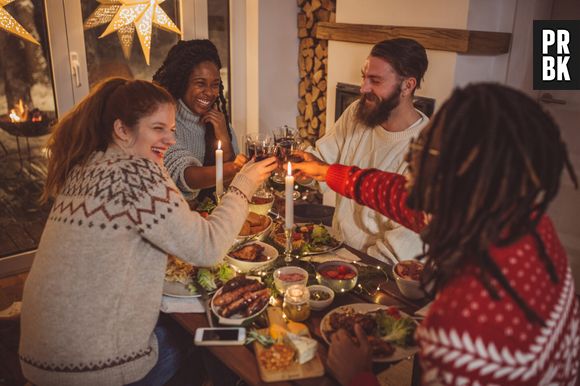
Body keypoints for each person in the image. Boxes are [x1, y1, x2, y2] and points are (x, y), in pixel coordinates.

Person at [295, 83, 580, 386]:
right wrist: (326, 172)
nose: (412, 159)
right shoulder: (526, 222)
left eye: (425, 150)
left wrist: (358, 375)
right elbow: (400, 196)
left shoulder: (462, 329)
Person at [18, 77, 277, 385]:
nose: (169, 140)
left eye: (171, 130)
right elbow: (208, 248)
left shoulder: (86, 164)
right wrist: (244, 183)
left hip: (40, 357)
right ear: (122, 129)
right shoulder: (135, 172)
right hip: (89, 369)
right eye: (158, 128)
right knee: (210, 339)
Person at [307, 38, 429, 264]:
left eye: (375, 80)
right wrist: (297, 163)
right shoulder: (358, 113)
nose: (363, 88)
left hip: (372, 271)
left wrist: (342, 266)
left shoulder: (426, 151)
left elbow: (397, 252)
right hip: (334, 248)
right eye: (364, 77)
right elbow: (322, 165)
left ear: (408, 85)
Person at [153, 39, 246, 201]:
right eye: (200, 83)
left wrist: (224, 138)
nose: (209, 93)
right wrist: (235, 167)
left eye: (215, 85)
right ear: (183, 83)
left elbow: (233, 184)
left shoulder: (220, 123)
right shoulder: (165, 122)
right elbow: (185, 175)